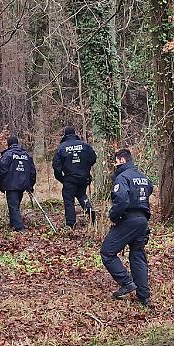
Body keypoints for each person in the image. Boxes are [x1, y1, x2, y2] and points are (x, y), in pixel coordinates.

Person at [100, 149, 154, 306]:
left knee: (107, 252)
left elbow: (122, 200)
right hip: (142, 220)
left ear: (122, 160)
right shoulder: (143, 177)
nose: (115, 164)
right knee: (137, 255)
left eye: (116, 161)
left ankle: (126, 282)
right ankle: (143, 296)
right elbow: (149, 189)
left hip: (128, 219)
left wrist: (114, 216)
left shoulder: (122, 177)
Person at [52, 126, 97, 228]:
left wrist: (61, 179)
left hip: (70, 178)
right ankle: (90, 212)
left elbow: (56, 166)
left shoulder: (62, 147)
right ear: (74, 133)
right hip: (83, 177)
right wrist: (86, 170)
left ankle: (71, 223)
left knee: (68, 199)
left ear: (65, 135)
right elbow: (93, 158)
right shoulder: (85, 146)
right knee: (82, 195)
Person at [0, 135, 36, 232]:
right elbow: (32, 171)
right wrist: (31, 184)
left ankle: (19, 227)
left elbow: (2, 170)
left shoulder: (8, 155)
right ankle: (13, 224)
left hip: (11, 185)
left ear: (8, 144)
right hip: (23, 184)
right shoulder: (26, 155)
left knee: (13, 206)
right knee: (16, 205)